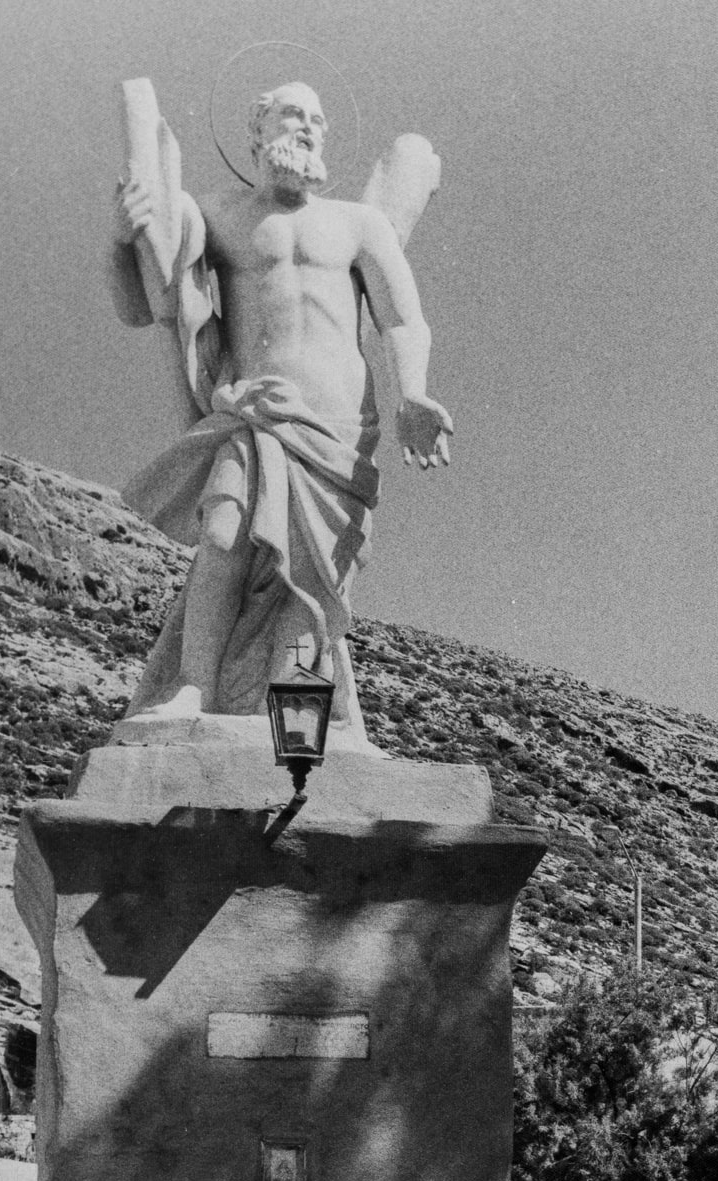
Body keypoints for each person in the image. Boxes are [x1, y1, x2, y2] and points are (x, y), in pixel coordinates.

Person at [109, 82, 454, 746]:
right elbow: (151, 303)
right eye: (293, 115)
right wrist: (121, 241)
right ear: (257, 131)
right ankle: (193, 688)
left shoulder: (359, 223)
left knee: (314, 586)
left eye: (318, 120)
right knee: (223, 538)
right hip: (256, 411)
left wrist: (412, 393)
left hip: (338, 430)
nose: (308, 128)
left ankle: (299, 729)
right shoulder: (216, 214)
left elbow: (403, 319)